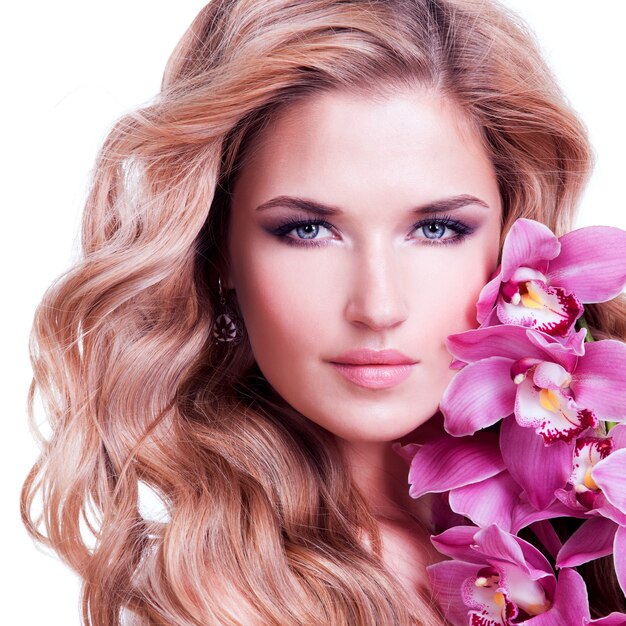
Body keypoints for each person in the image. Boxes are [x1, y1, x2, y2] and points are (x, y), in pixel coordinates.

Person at [20, 0, 626, 624]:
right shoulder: (225, 600)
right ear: (215, 245)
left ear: (509, 235)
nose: (378, 306)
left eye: (439, 229)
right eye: (307, 229)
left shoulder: (587, 504)